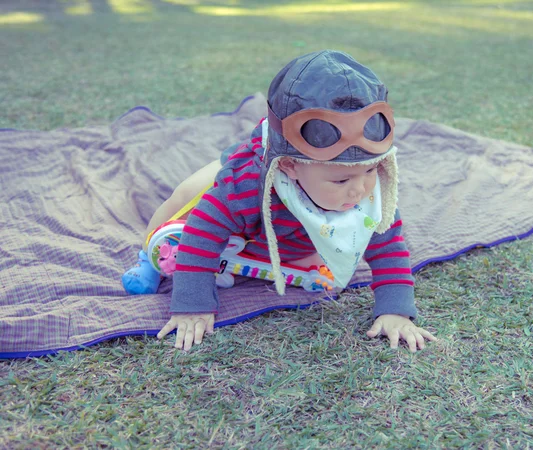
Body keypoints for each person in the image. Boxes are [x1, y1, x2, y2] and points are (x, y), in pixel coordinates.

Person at [122, 50, 437, 352]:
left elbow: (388, 246)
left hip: (291, 226)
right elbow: (202, 232)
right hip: (253, 182)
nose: (359, 191)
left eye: (370, 170)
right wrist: (192, 304)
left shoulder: (369, 190)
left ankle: (293, 248)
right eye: (341, 180)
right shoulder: (246, 187)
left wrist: (396, 310)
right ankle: (146, 257)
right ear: (289, 166)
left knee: (312, 258)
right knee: (189, 193)